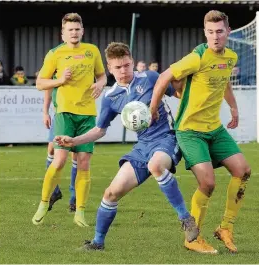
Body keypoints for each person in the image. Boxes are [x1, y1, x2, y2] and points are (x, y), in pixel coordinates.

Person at [54, 42, 198, 250]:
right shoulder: (111, 97)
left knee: (156, 166)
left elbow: (177, 90)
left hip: (167, 138)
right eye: (118, 67)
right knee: (111, 193)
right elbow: (99, 130)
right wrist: (73, 141)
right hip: (142, 147)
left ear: (132, 62)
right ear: (109, 68)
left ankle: (186, 219)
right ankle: (97, 242)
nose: (123, 71)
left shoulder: (149, 77)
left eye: (127, 65)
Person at [150, 10, 251, 254]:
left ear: (228, 31)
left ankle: (225, 228)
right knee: (208, 183)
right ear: (205, 33)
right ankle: (193, 238)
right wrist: (152, 109)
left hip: (214, 128)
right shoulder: (197, 57)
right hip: (190, 131)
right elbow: (164, 76)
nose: (215, 37)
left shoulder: (230, 57)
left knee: (243, 171)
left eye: (219, 31)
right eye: (210, 32)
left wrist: (234, 107)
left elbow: (224, 80)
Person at [32, 12, 107, 227]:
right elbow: (40, 83)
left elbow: (102, 76)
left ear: (82, 31)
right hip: (64, 113)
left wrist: (100, 84)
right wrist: (59, 80)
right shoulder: (55, 54)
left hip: (88, 115)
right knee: (60, 160)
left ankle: (80, 212)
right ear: (63, 33)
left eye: (77, 29)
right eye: (70, 30)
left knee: (83, 163)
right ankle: (44, 203)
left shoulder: (92, 51)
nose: (74, 33)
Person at [43, 88, 78, 212]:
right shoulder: (55, 69)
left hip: (79, 114)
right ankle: (54, 191)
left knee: (76, 154)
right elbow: (48, 88)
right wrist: (45, 112)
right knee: (52, 148)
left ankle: (74, 198)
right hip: (60, 114)